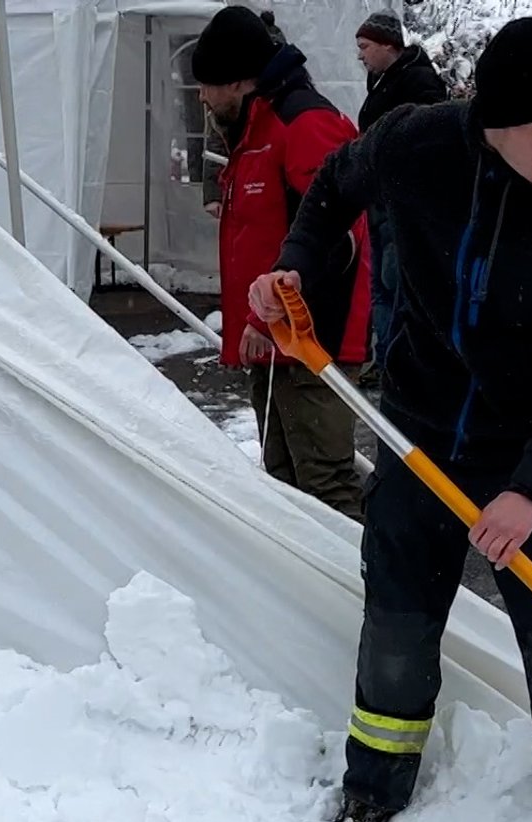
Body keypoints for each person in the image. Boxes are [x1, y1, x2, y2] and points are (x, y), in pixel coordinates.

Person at [248, 16, 532, 822]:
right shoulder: (417, 143)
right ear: (492, 120)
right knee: (398, 629)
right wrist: (291, 267)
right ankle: (371, 792)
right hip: (419, 431)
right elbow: (331, 191)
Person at [196, 4, 371, 520]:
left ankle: (357, 590)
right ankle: (300, 591)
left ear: (237, 82)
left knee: (324, 481)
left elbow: (333, 235)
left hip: (311, 338)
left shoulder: (303, 125)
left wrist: (265, 317)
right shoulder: (256, 129)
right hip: (276, 339)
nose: (202, 99)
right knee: (285, 481)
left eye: (206, 86)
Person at [354, 10, 447, 374]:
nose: (360, 56)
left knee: (396, 282)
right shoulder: (382, 80)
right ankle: (385, 356)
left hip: (403, 200)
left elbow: (430, 139)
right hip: (379, 196)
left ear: (387, 45)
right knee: (381, 284)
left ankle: (399, 359)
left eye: (364, 47)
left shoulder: (418, 81)